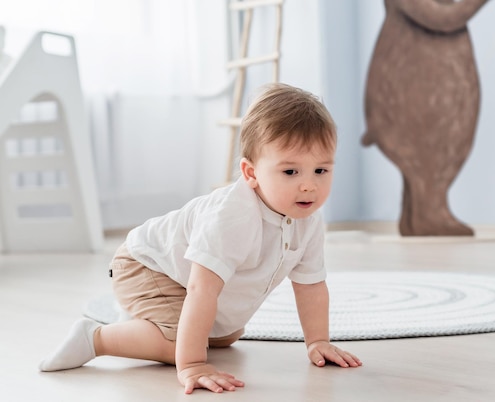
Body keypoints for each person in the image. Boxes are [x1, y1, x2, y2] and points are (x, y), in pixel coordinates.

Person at [39, 83, 362, 394]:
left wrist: (317, 341)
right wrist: (192, 364)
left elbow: (311, 286)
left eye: (321, 171)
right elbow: (201, 288)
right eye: (291, 172)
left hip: (185, 277)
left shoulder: (308, 220)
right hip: (147, 266)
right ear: (250, 173)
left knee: (226, 333)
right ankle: (95, 337)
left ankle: (146, 322)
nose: (309, 186)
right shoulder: (232, 216)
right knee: (179, 343)